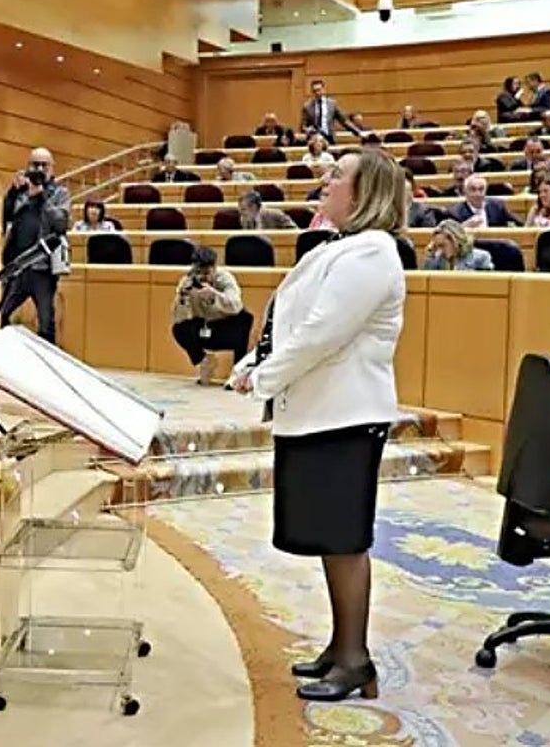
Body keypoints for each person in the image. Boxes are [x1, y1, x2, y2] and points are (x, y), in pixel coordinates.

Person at [230, 148, 407, 703]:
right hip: (319, 414)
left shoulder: (373, 253)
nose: (327, 180)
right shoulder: (339, 247)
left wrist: (263, 380)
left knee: (345, 540)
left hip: (346, 418)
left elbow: (320, 335)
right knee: (332, 538)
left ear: (365, 192)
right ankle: (339, 646)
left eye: (339, 174)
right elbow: (288, 320)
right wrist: (252, 363)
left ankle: (356, 660)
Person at [0, 147, 70, 343]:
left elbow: (60, 224)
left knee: (46, 321)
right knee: (2, 314)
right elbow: (5, 217)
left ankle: (48, 361)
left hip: (42, 267)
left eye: (44, 165)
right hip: (17, 265)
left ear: (52, 168)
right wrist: (13, 192)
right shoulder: (21, 192)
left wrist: (41, 196)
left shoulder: (60, 193)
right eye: (35, 164)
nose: (39, 169)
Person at [171, 247, 252, 385]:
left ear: (214, 267)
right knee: (179, 329)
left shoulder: (225, 279)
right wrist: (182, 299)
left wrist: (215, 295)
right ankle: (203, 359)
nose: (204, 278)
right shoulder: (187, 281)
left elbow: (236, 306)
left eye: (207, 273)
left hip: (226, 328)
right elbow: (178, 318)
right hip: (204, 327)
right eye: (199, 273)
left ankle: (238, 372)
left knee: (245, 318)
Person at [423, 219, 494, 271]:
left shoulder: (481, 258)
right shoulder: (437, 260)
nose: (440, 250)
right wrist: (430, 254)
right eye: (437, 246)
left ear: (455, 241)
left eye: (442, 245)